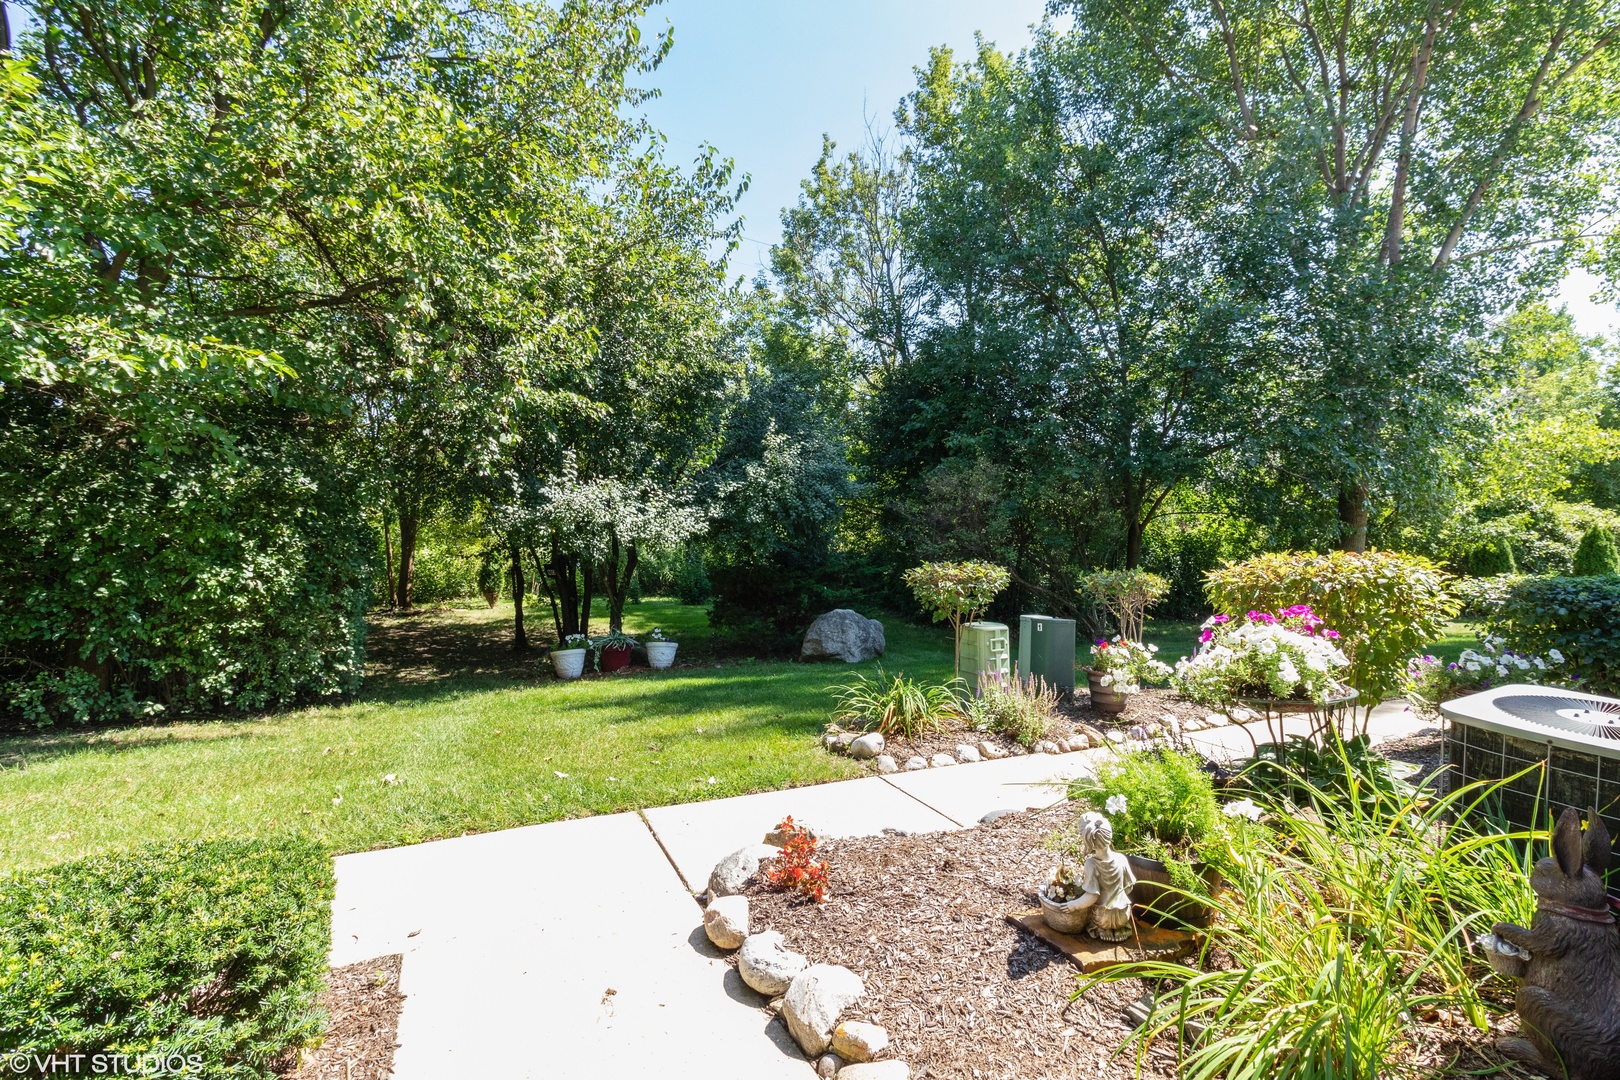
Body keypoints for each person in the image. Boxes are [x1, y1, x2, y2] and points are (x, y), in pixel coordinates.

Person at [1075, 810, 1136, 941]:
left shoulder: (1091, 864)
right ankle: (1119, 928)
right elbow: (1129, 887)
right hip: (1123, 914)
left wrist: (1073, 905)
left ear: (1088, 841)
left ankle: (1103, 928)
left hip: (1102, 917)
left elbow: (1092, 897)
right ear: (1109, 834)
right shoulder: (1121, 859)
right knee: (1118, 912)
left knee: (1091, 910)